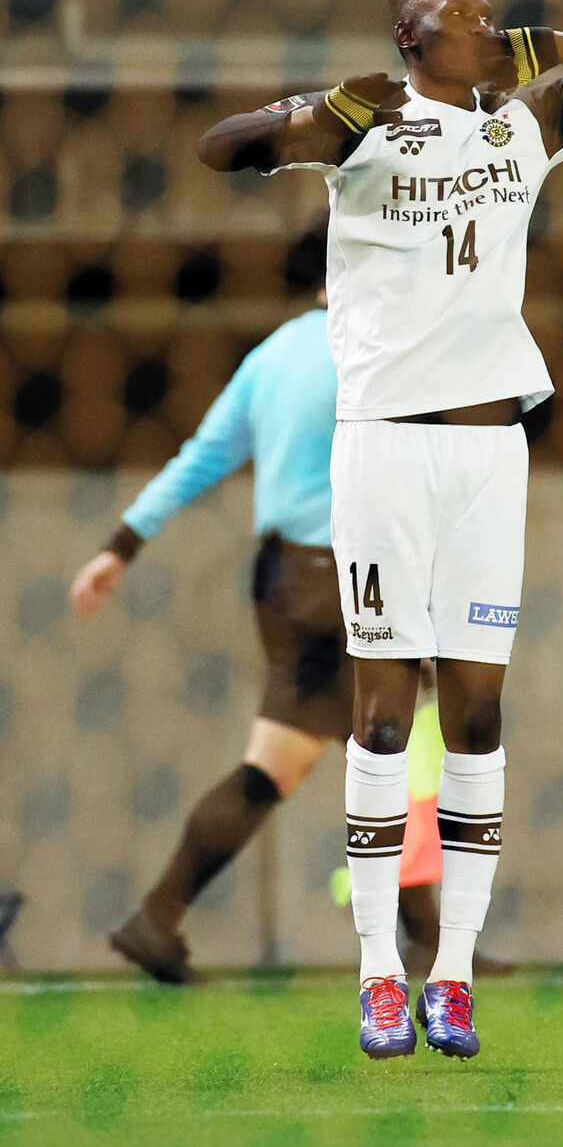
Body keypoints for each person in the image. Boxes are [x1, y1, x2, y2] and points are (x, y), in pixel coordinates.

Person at [197, 0, 563, 1059]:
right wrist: (320, 113)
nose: (485, 27)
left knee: (476, 717)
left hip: (488, 456)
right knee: (383, 718)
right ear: (412, 40)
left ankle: (455, 978)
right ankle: (379, 976)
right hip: (383, 451)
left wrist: (562, 46)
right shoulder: (364, 129)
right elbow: (221, 149)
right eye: (461, 16)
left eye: (490, 15)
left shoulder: (525, 124)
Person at [69, 303, 512, 982]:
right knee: (354, 749)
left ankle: (423, 933)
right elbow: (413, 469)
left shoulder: (272, 354)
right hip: (346, 576)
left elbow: (203, 455)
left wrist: (121, 545)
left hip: (282, 580)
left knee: (375, 746)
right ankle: (159, 917)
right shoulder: (379, 343)